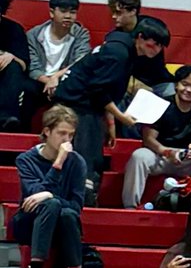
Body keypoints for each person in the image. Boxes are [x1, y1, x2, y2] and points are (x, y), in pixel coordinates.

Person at [53, 15, 170, 202]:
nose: (156, 50)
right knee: (87, 155)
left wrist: (111, 123)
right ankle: (82, 196)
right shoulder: (119, 54)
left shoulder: (125, 49)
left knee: (95, 157)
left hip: (89, 104)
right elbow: (99, 91)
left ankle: (86, 194)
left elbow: (105, 90)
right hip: (75, 103)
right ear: (139, 37)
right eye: (153, 44)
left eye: (160, 46)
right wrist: (121, 118)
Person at [122, 65, 191, 208]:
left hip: (188, 159)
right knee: (139, 156)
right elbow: (148, 140)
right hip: (161, 156)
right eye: (184, 84)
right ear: (176, 85)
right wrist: (167, 152)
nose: (189, 90)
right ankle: (130, 206)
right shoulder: (161, 105)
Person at [14, 104, 87, 268]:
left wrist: (46, 194)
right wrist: (58, 163)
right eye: (61, 133)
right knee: (51, 204)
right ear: (46, 132)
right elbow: (34, 197)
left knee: (65, 213)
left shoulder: (78, 162)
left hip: (62, 225)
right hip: (29, 222)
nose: (67, 140)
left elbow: (76, 205)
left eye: (71, 135)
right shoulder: (26, 160)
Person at [27, 0, 92, 91]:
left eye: (73, 12)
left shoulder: (81, 34)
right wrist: (49, 82)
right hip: (40, 80)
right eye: (63, 11)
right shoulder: (34, 35)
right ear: (52, 13)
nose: (68, 16)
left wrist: (56, 76)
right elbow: (33, 66)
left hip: (66, 79)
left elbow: (82, 61)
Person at [0, 0, 33, 130]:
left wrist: (12, 57)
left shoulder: (14, 29)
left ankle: (6, 118)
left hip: (5, 77)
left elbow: (24, 64)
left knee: (14, 67)